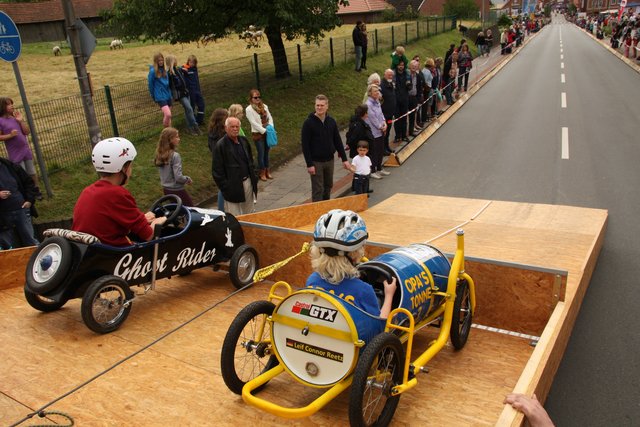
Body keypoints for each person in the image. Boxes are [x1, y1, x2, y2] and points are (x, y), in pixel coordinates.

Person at [72, 138, 167, 247]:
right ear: (124, 168)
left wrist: (142, 219)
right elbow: (149, 235)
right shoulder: (117, 194)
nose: (131, 170)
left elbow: (110, 222)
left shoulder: (87, 191)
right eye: (130, 166)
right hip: (116, 256)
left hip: (89, 252)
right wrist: (158, 221)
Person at [306, 209, 396, 319]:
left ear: (318, 250)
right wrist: (389, 294)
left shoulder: (312, 281)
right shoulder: (363, 290)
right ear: (355, 254)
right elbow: (380, 324)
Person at [301, 95, 350, 202]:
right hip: (316, 162)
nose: (319, 107)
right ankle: (317, 213)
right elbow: (305, 145)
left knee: (328, 186)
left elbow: (337, 140)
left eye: (322, 105)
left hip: (329, 160)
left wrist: (345, 159)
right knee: (318, 189)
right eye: (317, 105)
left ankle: (326, 210)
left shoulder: (331, 121)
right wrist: (309, 164)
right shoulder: (308, 123)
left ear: (327, 106)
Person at [211, 117, 258, 216]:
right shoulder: (221, 145)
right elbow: (217, 171)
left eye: (237, 126)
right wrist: (225, 187)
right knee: (233, 215)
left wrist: (254, 176)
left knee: (249, 213)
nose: (235, 129)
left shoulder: (244, 141)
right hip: (232, 185)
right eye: (232, 127)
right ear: (226, 128)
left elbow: (250, 160)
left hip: (247, 182)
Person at [0, 97, 43, 200]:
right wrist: (10, 135)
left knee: (32, 172)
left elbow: (26, 132)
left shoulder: (15, 118)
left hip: (25, 150)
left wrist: (21, 121)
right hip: (15, 153)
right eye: (8, 104)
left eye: (12, 103)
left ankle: (36, 190)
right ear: (3, 107)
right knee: (22, 174)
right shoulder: (1, 121)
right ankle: (26, 194)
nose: (12, 106)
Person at [0, 156, 39, 249]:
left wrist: (29, 200)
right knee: (6, 246)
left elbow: (29, 183)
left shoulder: (10, 166)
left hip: (21, 208)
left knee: (31, 241)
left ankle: (40, 260)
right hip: (2, 215)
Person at [153, 127, 194, 206]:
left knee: (176, 212)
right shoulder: (175, 156)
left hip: (166, 190)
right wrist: (187, 179)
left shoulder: (160, 154)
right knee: (191, 211)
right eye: (177, 137)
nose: (179, 139)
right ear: (170, 139)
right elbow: (178, 177)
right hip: (177, 190)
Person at [165, 54, 200, 136]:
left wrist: (184, 69)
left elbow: (184, 70)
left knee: (188, 110)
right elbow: (171, 85)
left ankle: (190, 128)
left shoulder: (178, 69)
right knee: (189, 109)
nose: (176, 61)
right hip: (180, 95)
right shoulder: (169, 74)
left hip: (185, 92)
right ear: (172, 62)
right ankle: (195, 126)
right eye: (175, 60)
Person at [245, 89, 274, 181]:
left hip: (267, 132)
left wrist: (271, 127)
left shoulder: (264, 106)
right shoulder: (249, 109)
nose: (257, 99)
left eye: (259, 97)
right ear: (251, 98)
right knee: (261, 153)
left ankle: (267, 170)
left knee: (267, 152)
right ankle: (261, 172)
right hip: (258, 134)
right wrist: (263, 130)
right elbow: (253, 123)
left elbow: (270, 117)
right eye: (255, 97)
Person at [365, 85, 389, 179]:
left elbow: (381, 114)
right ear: (370, 93)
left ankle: (379, 168)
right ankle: (373, 170)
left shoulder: (377, 102)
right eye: (375, 91)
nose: (377, 93)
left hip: (381, 130)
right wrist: (380, 127)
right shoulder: (368, 104)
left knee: (380, 150)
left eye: (378, 91)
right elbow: (372, 118)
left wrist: (384, 123)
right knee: (374, 152)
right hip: (374, 132)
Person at [207, 108, 229, 210]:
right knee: (223, 188)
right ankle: (222, 210)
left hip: (217, 163)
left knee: (222, 187)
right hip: (224, 163)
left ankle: (222, 209)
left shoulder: (211, 132)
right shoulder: (223, 134)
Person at [147, 52, 173, 128]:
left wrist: (170, 95)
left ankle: (169, 132)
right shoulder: (152, 72)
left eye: (162, 60)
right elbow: (150, 85)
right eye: (159, 61)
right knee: (168, 114)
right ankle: (166, 130)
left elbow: (168, 83)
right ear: (156, 61)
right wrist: (153, 96)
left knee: (168, 116)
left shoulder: (165, 71)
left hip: (168, 95)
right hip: (160, 96)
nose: (161, 62)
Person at [182, 55, 205, 126]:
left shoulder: (195, 69)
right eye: (190, 62)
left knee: (202, 105)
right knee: (192, 107)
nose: (192, 64)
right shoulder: (185, 69)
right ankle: (192, 122)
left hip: (197, 91)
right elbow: (179, 68)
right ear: (188, 62)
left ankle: (199, 120)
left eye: (193, 62)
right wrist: (183, 68)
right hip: (191, 92)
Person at [379, 69, 396, 155]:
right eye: (389, 75)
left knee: (388, 131)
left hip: (390, 113)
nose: (390, 77)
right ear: (385, 75)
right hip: (384, 113)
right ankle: (382, 149)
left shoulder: (391, 84)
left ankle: (387, 146)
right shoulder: (382, 85)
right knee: (384, 133)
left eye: (391, 75)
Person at [393, 60, 411, 143]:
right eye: (400, 65)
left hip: (404, 99)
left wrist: (409, 86)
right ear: (397, 66)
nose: (401, 67)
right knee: (397, 119)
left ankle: (404, 135)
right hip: (396, 100)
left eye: (402, 65)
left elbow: (409, 87)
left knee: (404, 118)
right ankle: (397, 136)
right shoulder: (394, 74)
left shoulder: (406, 74)